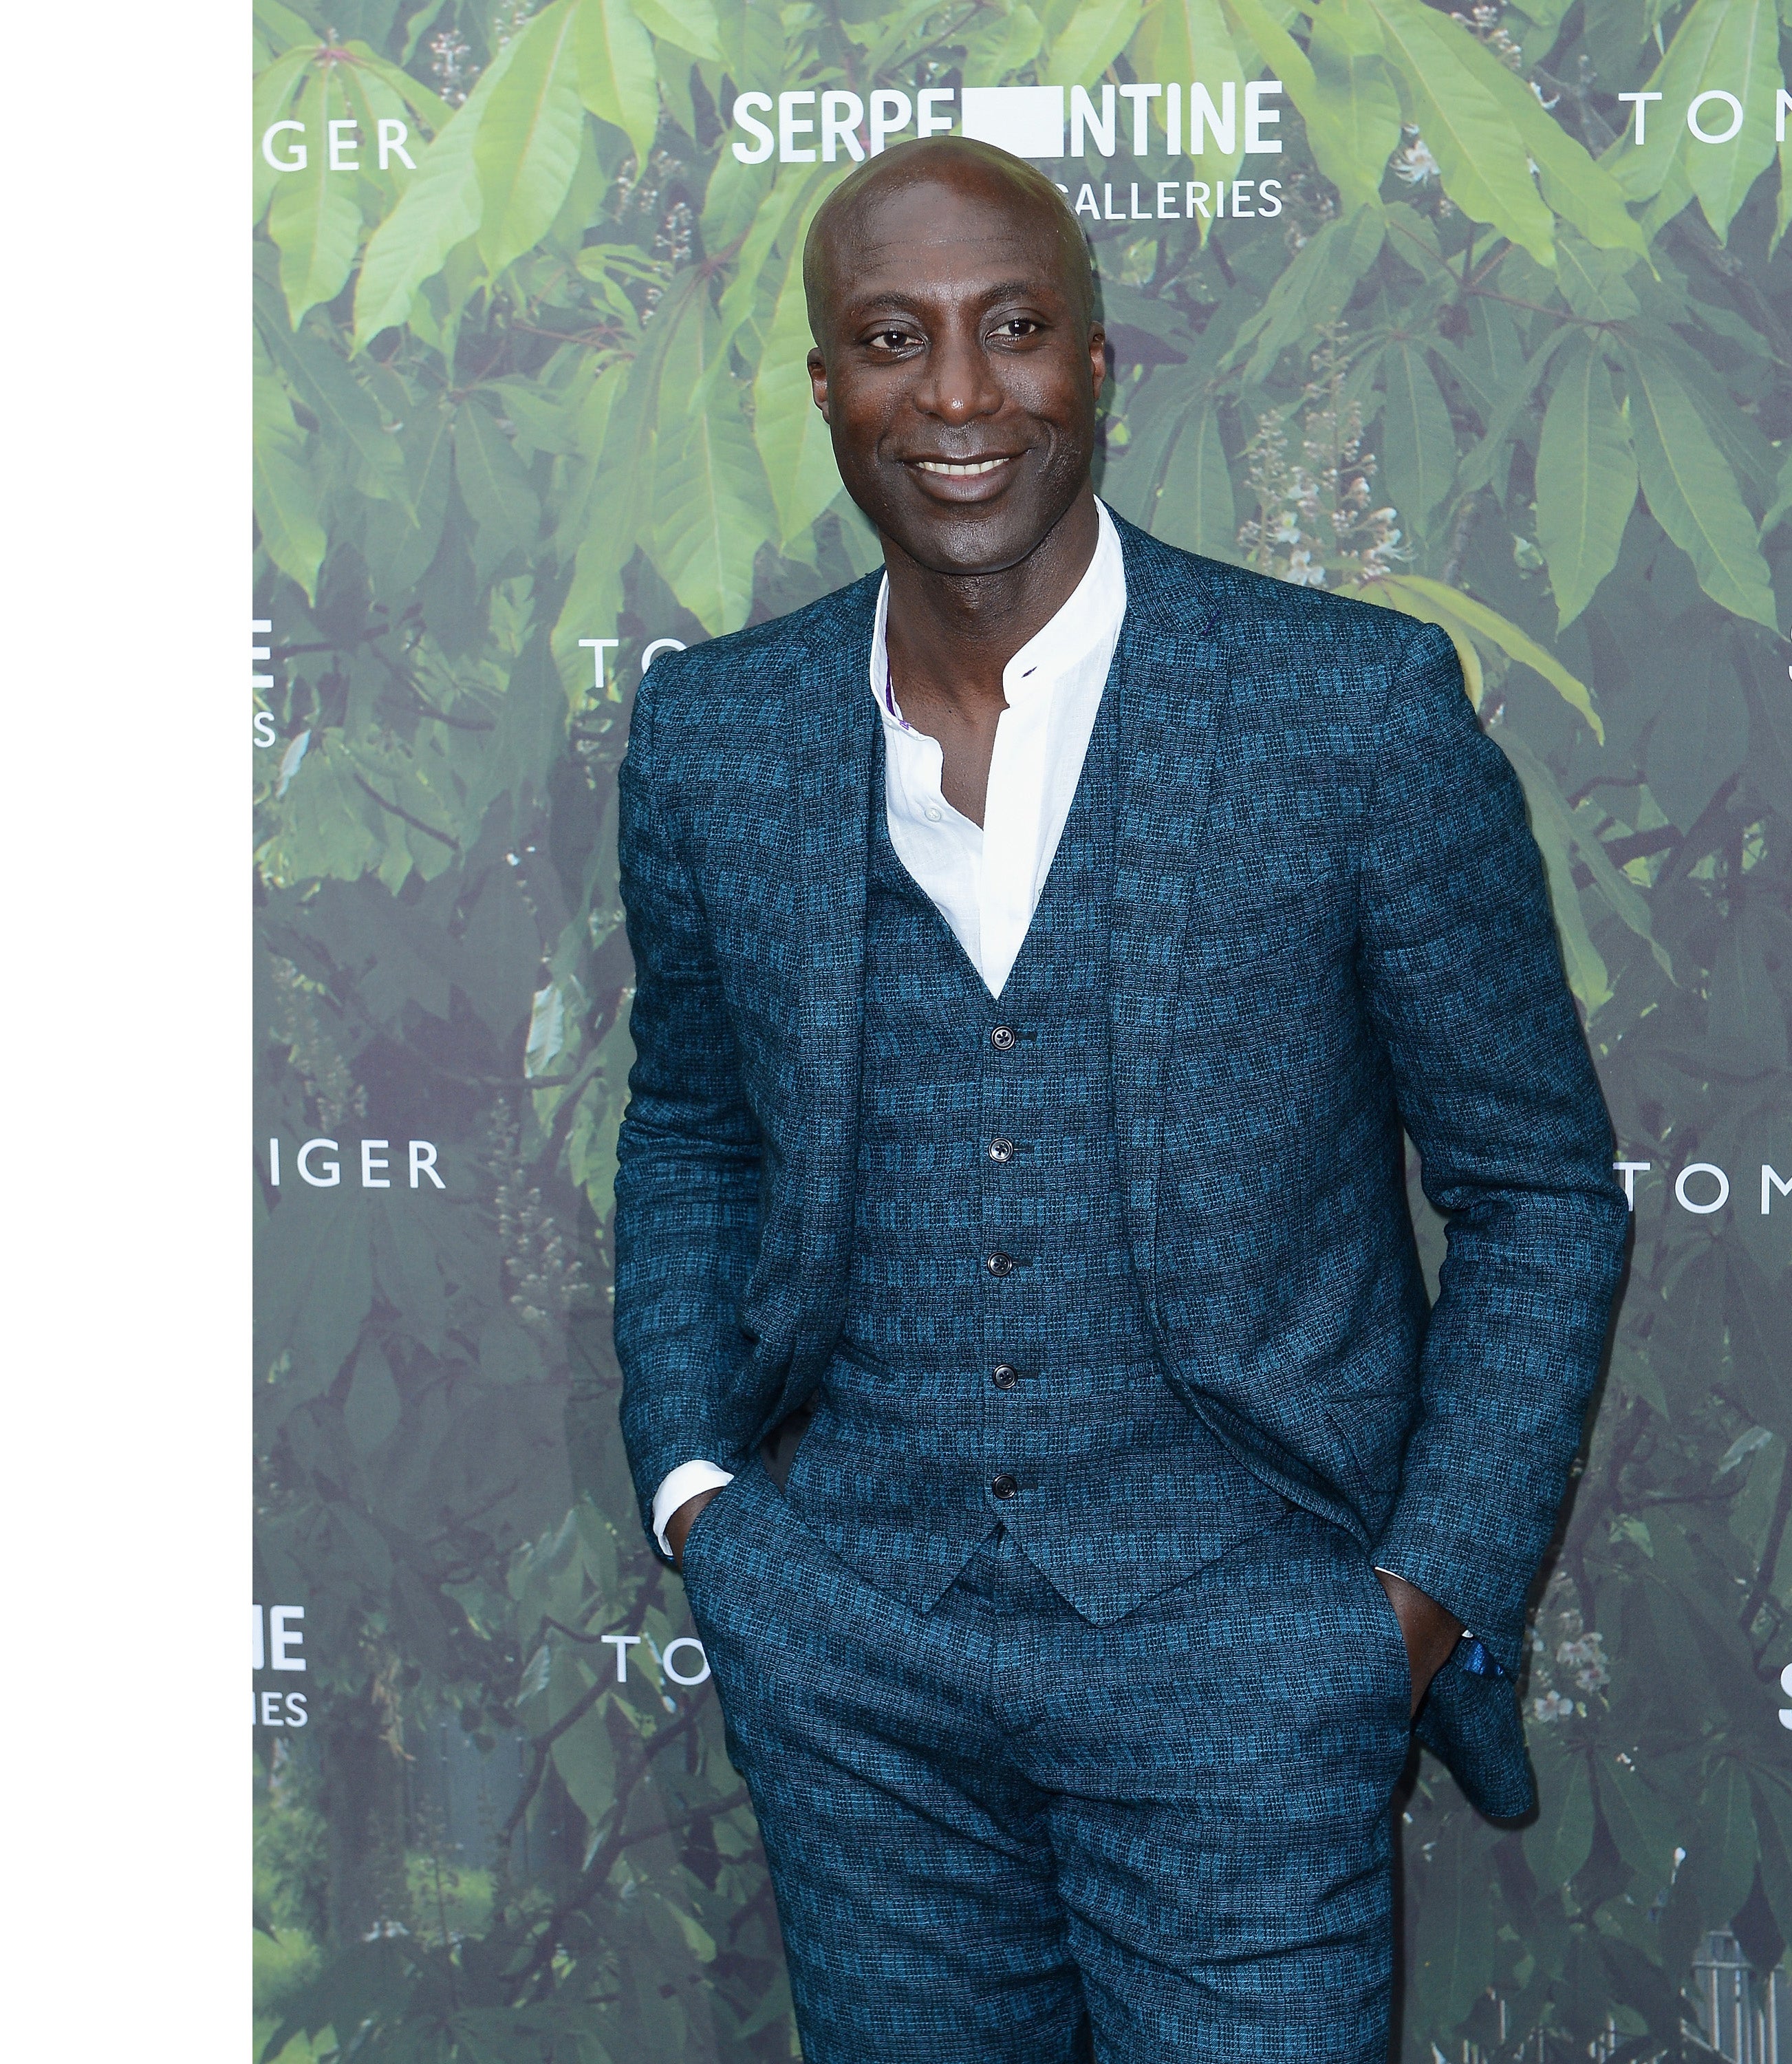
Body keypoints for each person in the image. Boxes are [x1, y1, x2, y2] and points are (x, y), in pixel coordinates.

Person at [614, 135, 1628, 2063]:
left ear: (1098, 362)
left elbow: (1538, 1193)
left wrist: (1409, 1608)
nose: (960, 394)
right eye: (893, 339)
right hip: (851, 1670)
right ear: (824, 385)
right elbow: (691, 1133)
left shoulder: (1349, 710)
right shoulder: (715, 733)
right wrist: (698, 1498)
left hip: (1254, 1671)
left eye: (1013, 329)